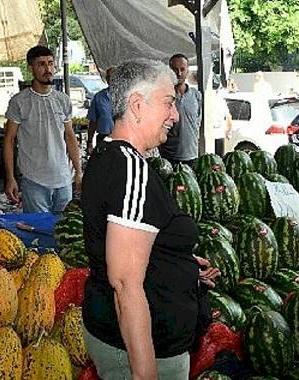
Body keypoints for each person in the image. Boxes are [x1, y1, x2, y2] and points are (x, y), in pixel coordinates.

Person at [81, 59, 219, 380]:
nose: (175, 115)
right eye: (169, 103)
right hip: (138, 351)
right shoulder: (131, 169)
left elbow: (119, 240)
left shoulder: (108, 156)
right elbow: (126, 285)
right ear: (137, 105)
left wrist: (178, 263)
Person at [3, 45, 83, 213]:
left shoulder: (63, 100)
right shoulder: (19, 102)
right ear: (30, 68)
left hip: (63, 180)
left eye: (51, 63)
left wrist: (78, 171)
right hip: (34, 181)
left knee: (64, 232)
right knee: (38, 233)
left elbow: (69, 136)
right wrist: (10, 178)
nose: (48, 69)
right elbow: (9, 140)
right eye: (41, 64)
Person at [158, 53, 202, 166]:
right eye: (175, 70)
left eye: (182, 69)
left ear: (188, 70)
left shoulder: (196, 95)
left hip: (192, 155)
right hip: (169, 157)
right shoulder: (164, 95)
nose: (179, 73)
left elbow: (197, 122)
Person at [86, 66, 115, 154]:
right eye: (108, 77)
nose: (111, 79)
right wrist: (89, 142)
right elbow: (93, 121)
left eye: (113, 77)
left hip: (122, 138)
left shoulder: (126, 96)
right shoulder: (99, 97)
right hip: (103, 138)